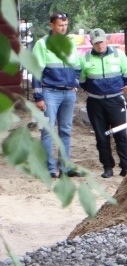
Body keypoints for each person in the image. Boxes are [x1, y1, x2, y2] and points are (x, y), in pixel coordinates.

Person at [31, 10, 82, 178]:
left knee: (65, 131)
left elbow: (77, 66)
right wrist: (38, 97)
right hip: (49, 93)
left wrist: (75, 82)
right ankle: (49, 169)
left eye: (66, 25)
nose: (64, 28)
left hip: (68, 93)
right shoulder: (42, 44)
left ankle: (65, 168)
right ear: (51, 25)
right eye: (60, 25)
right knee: (47, 131)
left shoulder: (70, 43)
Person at [81, 28, 127, 178]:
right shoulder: (84, 58)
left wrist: (120, 88)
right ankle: (107, 167)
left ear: (106, 40)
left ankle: (126, 166)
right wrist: (95, 90)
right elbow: (82, 81)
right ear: (92, 43)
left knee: (121, 134)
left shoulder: (119, 54)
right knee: (101, 136)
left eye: (102, 41)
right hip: (95, 103)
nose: (100, 45)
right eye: (96, 42)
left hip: (116, 101)